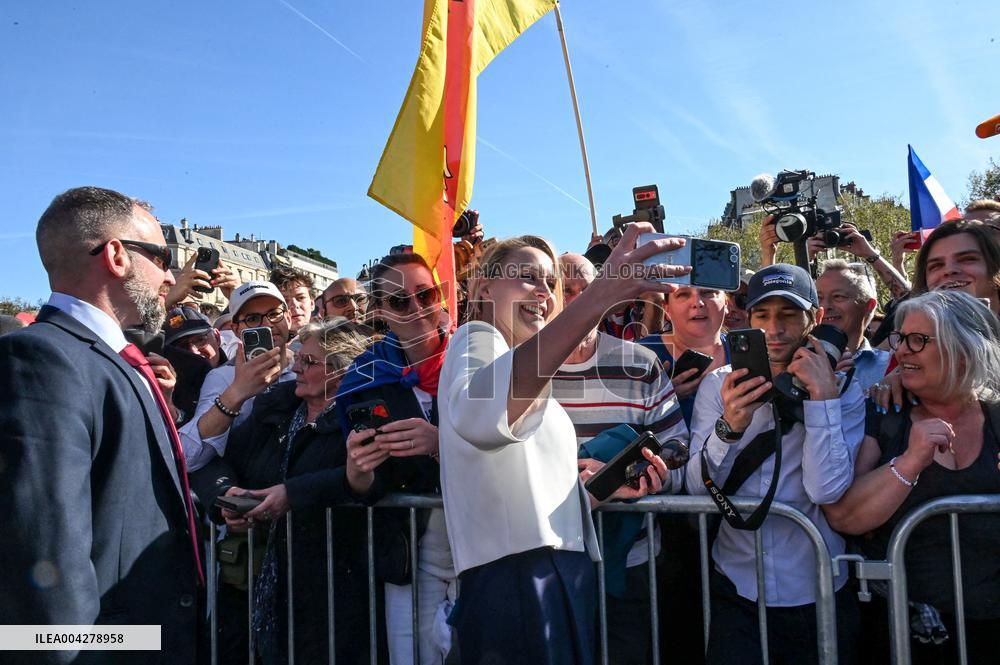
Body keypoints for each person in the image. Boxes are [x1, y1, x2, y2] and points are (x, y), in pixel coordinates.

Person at [439, 226, 682, 665]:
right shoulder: (476, 338)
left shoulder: (515, 359)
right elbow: (479, 416)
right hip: (515, 578)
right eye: (527, 276)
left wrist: (593, 490)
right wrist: (598, 298)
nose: (544, 292)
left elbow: (525, 491)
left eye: (549, 283)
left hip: (553, 573)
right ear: (485, 285)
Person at [0, 186, 202, 664]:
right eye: (161, 256)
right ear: (116, 255)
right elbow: (45, 560)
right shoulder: (43, 358)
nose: (169, 276)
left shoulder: (114, 361)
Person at [686, 263, 865, 664]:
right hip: (736, 584)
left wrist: (822, 397)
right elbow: (698, 489)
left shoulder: (843, 388)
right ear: (748, 319)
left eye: (788, 315)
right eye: (763, 315)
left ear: (813, 319)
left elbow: (826, 489)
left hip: (818, 584)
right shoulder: (719, 386)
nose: (774, 328)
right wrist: (729, 427)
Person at [823, 290, 1000, 665]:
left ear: (964, 348)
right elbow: (844, 516)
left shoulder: (996, 418)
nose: (902, 350)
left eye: (918, 340)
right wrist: (908, 462)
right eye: (901, 338)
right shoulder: (884, 413)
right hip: (902, 631)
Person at [192, 318, 376, 665]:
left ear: (340, 371)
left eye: (309, 362)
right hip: (251, 588)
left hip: (324, 598)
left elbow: (366, 478)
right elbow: (215, 461)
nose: (296, 367)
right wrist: (227, 496)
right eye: (299, 358)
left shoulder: (359, 421)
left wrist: (292, 494)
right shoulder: (274, 409)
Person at [553, 252, 689, 665]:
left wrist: (639, 473)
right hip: (551, 560)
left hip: (631, 565)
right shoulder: (526, 368)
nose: (577, 301)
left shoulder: (639, 363)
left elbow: (677, 453)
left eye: (587, 290)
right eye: (566, 291)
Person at [335, 253, 454, 665]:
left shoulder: (476, 361)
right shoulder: (364, 377)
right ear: (383, 311)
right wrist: (358, 472)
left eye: (426, 294)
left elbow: (513, 447)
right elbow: (371, 484)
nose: (418, 308)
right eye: (401, 301)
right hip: (410, 549)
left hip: (485, 538)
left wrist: (441, 442)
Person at [178, 280, 295, 471]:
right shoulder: (223, 377)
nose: (267, 324)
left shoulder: (308, 366)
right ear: (235, 329)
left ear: (288, 317)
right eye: (252, 318)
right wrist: (237, 393)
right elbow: (188, 456)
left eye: (274, 314)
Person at [640, 286, 730, 426]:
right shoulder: (638, 355)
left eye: (708, 292)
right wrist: (660, 401)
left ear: (726, 303)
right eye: (684, 294)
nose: (697, 303)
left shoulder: (746, 352)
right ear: (667, 309)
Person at [815, 260, 891, 392]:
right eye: (818, 298)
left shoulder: (891, 368)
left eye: (838, 296)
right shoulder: (796, 363)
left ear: (869, 306)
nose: (824, 306)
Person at [911, 218, 1000, 314]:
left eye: (967, 259)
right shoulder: (905, 327)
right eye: (936, 265)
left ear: (995, 264)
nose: (949, 270)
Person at [269, 265, 315, 336]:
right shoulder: (267, 345)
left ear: (312, 303)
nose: (294, 305)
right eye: (285, 301)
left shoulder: (328, 342)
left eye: (301, 298)